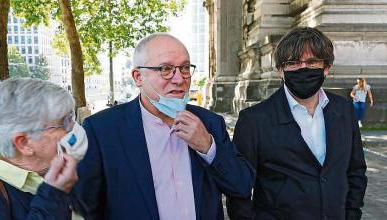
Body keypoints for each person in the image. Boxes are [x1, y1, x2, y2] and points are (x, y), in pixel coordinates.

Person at [76, 33, 255, 220]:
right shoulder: (101, 130)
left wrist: (208, 147)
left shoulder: (210, 123)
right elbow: (86, 208)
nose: (179, 79)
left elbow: (241, 186)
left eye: (185, 68)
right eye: (166, 69)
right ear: (138, 77)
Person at [227, 27, 367, 220]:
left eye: (311, 62)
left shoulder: (344, 110)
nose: (303, 68)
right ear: (280, 71)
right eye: (293, 63)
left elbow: (356, 171)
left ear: (326, 67)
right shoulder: (253, 121)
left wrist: (352, 214)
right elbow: (239, 189)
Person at [0, 78, 90, 219]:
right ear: (24, 144)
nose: (72, 126)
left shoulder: (60, 172)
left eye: (71, 116)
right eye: (63, 122)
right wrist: (54, 193)